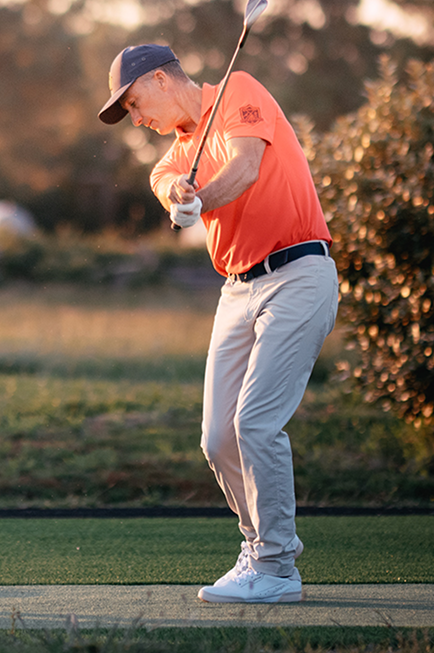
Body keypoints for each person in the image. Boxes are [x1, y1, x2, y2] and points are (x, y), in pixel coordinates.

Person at [98, 42, 338, 604]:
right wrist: (178, 194)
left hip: (298, 273)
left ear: (160, 79)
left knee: (254, 422)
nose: (136, 118)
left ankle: (279, 569)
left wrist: (200, 200)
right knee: (216, 437)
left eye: (133, 103)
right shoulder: (177, 151)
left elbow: (247, 167)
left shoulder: (238, 91)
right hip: (237, 288)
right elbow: (165, 181)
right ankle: (257, 550)